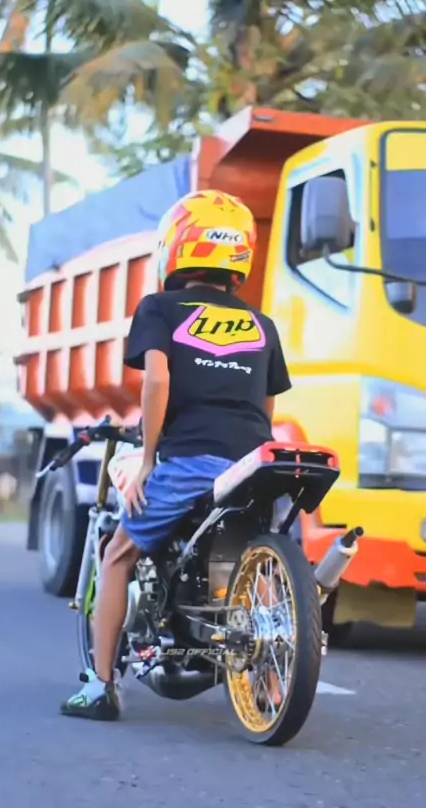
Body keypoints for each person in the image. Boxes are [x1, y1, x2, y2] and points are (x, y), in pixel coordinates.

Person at [60, 189, 292, 721]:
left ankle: (99, 687)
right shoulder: (262, 324)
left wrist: (148, 459)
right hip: (253, 464)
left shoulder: (161, 308)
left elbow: (158, 380)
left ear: (177, 247)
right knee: (252, 557)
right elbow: (266, 405)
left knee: (117, 555)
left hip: (190, 460)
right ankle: (269, 683)